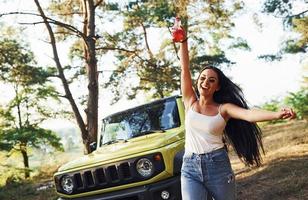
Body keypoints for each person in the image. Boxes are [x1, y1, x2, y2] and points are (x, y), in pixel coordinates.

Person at [174, 27, 296, 200]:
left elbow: (249, 114)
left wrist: (276, 114)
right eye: (202, 78)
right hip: (190, 167)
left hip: (217, 166)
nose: (205, 82)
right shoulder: (189, 101)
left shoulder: (223, 109)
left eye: (211, 80)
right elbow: (184, 68)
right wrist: (183, 41)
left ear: (218, 87)